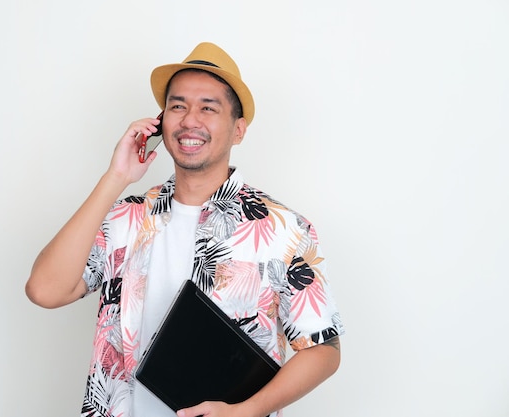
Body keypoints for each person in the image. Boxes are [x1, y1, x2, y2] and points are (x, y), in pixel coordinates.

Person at [26, 42, 344, 417]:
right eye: (178, 106)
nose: (190, 119)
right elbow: (44, 290)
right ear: (162, 122)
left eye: (208, 107)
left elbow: (322, 350)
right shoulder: (127, 218)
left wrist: (248, 411)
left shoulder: (282, 229)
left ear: (238, 130)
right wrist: (117, 177)